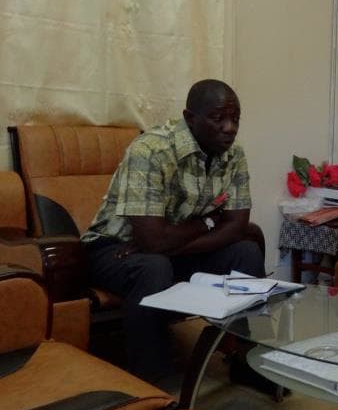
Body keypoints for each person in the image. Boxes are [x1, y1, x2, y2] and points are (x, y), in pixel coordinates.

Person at [81, 79, 265, 382]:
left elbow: (236, 227)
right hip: (113, 248)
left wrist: (168, 244)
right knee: (153, 266)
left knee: (246, 252)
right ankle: (151, 380)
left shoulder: (234, 154)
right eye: (218, 118)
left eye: (235, 119)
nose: (230, 128)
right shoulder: (151, 150)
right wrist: (208, 222)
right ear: (190, 118)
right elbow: (153, 241)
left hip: (166, 249)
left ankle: (249, 363)